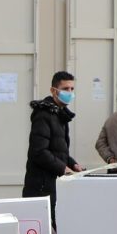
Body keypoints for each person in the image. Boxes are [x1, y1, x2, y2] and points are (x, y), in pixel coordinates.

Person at [22, 70, 84, 225]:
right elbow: (39, 151)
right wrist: (62, 168)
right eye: (65, 89)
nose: (70, 92)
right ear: (53, 91)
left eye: (72, 89)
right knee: (42, 230)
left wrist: (72, 164)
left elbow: (59, 151)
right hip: (40, 187)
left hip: (53, 186)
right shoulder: (44, 115)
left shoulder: (60, 115)